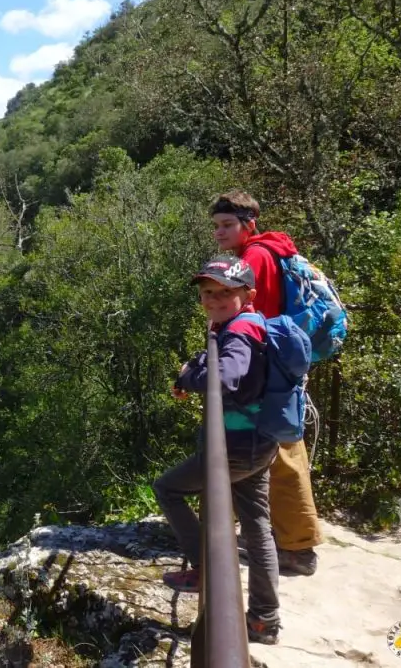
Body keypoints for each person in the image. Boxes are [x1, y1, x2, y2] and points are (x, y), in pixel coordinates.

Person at [153, 254, 281, 644]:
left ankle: (202, 569)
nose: (214, 299)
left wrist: (190, 377)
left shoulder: (240, 332)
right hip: (260, 442)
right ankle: (264, 619)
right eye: (208, 292)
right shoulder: (247, 324)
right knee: (258, 529)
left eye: (225, 292)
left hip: (234, 448)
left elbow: (225, 376)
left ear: (249, 295)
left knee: (168, 489)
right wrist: (194, 367)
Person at [209, 190, 322, 577]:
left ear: (248, 224)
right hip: (279, 360)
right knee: (282, 447)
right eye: (217, 226)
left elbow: (256, 310)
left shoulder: (255, 255)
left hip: (270, 367)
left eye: (227, 225)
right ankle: (288, 539)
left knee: (285, 452)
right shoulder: (271, 250)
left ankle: (298, 548)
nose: (219, 233)